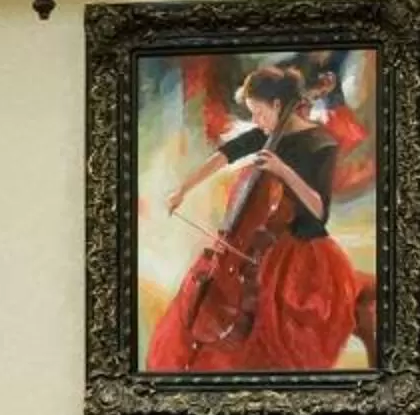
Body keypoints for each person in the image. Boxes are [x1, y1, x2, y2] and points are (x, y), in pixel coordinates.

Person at [146, 64, 367, 373]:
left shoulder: (321, 144)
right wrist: (183, 189)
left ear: (278, 105)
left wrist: (283, 171)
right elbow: (225, 155)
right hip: (253, 247)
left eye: (258, 112)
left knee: (266, 343)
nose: (255, 121)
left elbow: (319, 210)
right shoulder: (266, 133)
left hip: (300, 252)